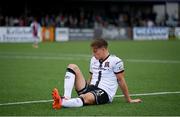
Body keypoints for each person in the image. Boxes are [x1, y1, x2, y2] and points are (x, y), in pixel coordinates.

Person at [52, 38, 142, 109]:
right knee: (72, 66)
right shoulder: (93, 60)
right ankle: (66, 97)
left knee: (86, 98)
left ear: (103, 49)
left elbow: (121, 80)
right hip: (91, 88)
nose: (93, 54)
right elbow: (91, 76)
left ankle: (62, 102)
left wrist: (129, 99)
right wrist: (86, 88)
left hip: (104, 92)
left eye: (95, 51)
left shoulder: (116, 61)